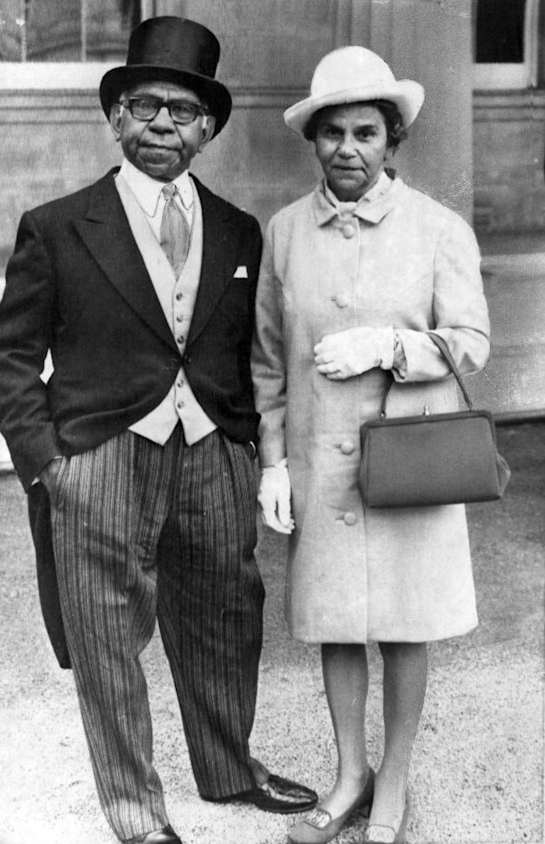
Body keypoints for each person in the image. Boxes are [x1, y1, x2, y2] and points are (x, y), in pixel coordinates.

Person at [0, 16, 317, 844]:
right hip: (98, 454)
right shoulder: (58, 226)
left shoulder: (240, 231)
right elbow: (11, 357)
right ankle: (137, 815)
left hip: (213, 451)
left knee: (226, 616)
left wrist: (251, 453)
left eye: (180, 111)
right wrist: (47, 465)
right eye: (144, 107)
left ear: (207, 128)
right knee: (105, 637)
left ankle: (228, 769)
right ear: (116, 119)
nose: (161, 124)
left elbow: (254, 354)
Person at [251, 46, 490, 844]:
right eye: (331, 134)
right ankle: (348, 775)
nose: (346, 149)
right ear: (311, 140)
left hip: (408, 462)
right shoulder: (284, 233)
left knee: (403, 623)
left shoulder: (437, 229)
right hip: (320, 464)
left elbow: (470, 342)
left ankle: (393, 779)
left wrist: (390, 345)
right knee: (333, 622)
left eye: (364, 132)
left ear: (392, 140)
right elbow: (263, 360)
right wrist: (273, 462)